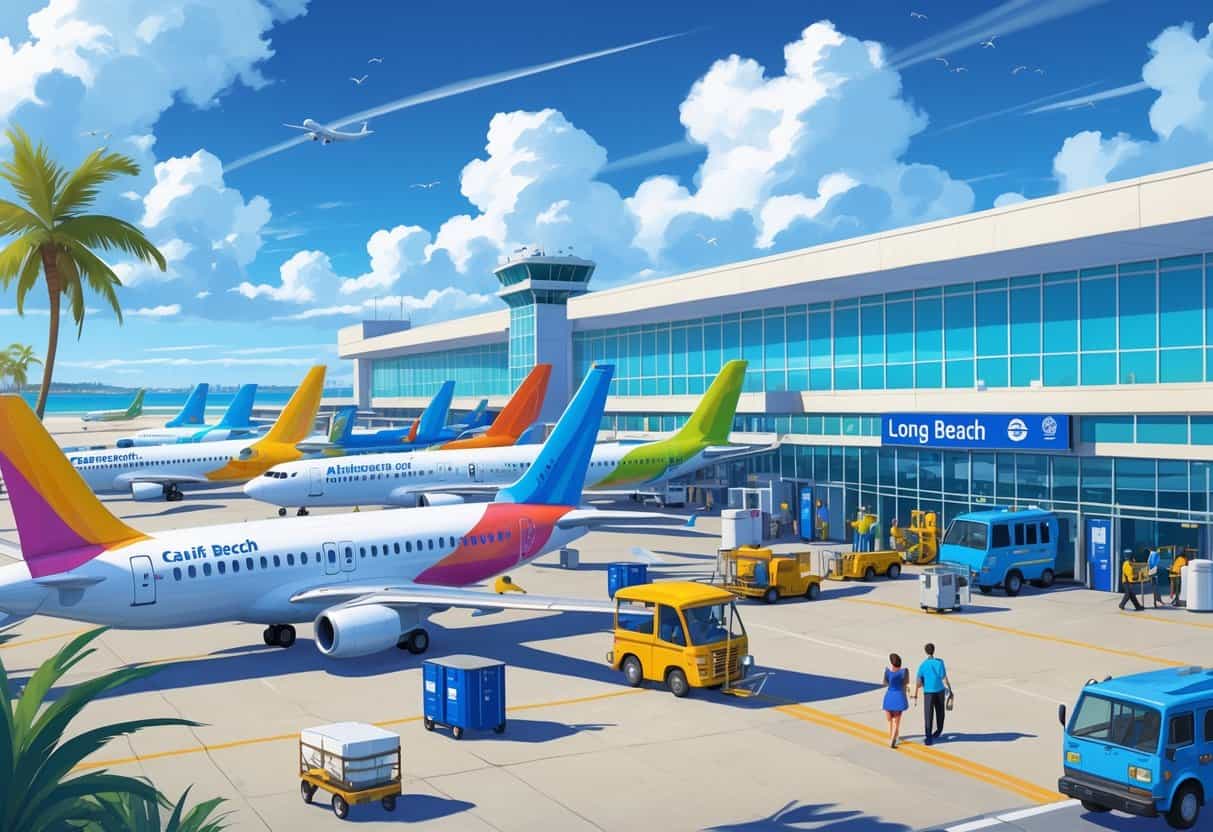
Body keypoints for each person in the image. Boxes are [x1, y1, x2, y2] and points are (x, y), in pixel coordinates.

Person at [913, 642, 951, 745]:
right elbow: (944, 678)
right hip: (939, 690)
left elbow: (918, 683)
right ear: (934, 651)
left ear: (926, 652)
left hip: (928, 692)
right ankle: (938, 731)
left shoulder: (923, 665)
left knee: (928, 714)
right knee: (940, 712)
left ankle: (928, 737)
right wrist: (950, 690)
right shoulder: (940, 662)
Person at [881, 653, 910, 749]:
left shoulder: (887, 672)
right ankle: (894, 737)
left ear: (891, 663)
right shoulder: (904, 671)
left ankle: (892, 736)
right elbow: (905, 684)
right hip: (899, 695)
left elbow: (885, 683)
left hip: (889, 695)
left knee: (890, 719)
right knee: (897, 719)